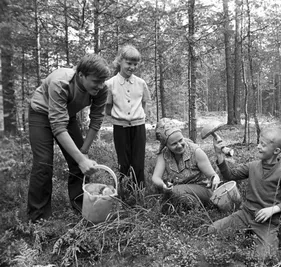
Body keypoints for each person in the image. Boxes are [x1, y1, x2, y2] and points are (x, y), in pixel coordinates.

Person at [28, 54, 110, 222]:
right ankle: (38, 219)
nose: (100, 86)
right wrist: (81, 159)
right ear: (81, 75)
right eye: (95, 81)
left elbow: (96, 120)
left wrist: (83, 152)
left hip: (67, 114)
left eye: (102, 81)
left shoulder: (102, 89)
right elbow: (58, 126)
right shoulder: (61, 82)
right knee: (43, 163)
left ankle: (81, 206)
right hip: (40, 113)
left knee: (78, 161)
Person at [208, 128, 281, 258]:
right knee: (212, 231)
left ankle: (275, 232)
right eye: (259, 143)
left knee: (265, 257)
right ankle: (248, 231)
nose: (258, 146)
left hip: (267, 221)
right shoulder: (252, 166)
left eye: (263, 145)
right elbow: (230, 175)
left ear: (276, 151)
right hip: (245, 214)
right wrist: (219, 154)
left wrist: (272, 210)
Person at [105, 45, 150, 188]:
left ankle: (138, 192)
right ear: (120, 61)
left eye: (135, 64)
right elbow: (107, 107)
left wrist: (138, 117)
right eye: (129, 63)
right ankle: (123, 191)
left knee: (138, 161)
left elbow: (144, 103)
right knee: (123, 162)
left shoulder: (141, 83)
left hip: (138, 127)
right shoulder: (110, 84)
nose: (132, 67)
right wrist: (118, 118)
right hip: (120, 127)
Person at [151, 118, 221, 210]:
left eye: (180, 140)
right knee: (170, 197)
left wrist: (215, 178)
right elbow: (155, 177)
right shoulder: (164, 155)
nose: (179, 145)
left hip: (202, 189)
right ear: (166, 145)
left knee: (174, 192)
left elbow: (213, 175)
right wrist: (163, 185)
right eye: (174, 144)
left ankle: (197, 207)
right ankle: (191, 207)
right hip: (180, 190)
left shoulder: (195, 151)